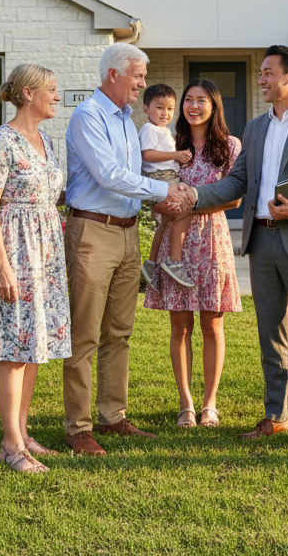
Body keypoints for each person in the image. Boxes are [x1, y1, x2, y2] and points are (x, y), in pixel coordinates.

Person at [178, 45, 288, 456]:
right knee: (271, 335)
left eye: (269, 72)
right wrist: (193, 195)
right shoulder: (253, 128)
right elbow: (237, 182)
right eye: (262, 73)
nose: (262, 79)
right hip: (261, 243)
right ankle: (276, 416)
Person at [62, 42, 192, 457]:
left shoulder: (125, 120)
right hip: (93, 233)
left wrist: (159, 200)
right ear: (113, 75)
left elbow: (133, 176)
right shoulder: (88, 116)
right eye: (137, 76)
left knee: (118, 332)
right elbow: (110, 175)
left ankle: (112, 416)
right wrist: (166, 189)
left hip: (127, 232)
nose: (143, 83)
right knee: (84, 334)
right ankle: (77, 427)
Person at [0, 64, 68, 474]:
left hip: (45, 252)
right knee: (13, 348)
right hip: (13, 251)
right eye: (51, 89)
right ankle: (11, 446)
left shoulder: (44, 140)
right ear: (28, 93)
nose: (57, 96)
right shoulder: (0, 142)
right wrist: (4, 268)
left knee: (33, 347)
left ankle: (23, 434)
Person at [143, 79, 243, 428]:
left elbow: (235, 198)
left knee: (212, 324)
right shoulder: (172, 144)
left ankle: (209, 404)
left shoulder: (229, 147)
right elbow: (152, 188)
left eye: (202, 100)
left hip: (212, 239)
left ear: (214, 106)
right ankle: (186, 404)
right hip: (177, 243)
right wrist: (168, 206)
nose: (193, 106)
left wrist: (192, 206)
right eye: (188, 99)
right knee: (180, 325)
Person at [138, 83, 197, 289]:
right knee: (187, 210)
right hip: (159, 177)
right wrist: (175, 155)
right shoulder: (149, 128)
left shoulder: (165, 131)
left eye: (170, 108)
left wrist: (180, 158)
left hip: (167, 175)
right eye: (160, 107)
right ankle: (174, 261)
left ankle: (151, 264)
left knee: (165, 222)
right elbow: (148, 155)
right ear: (146, 109)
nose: (166, 113)